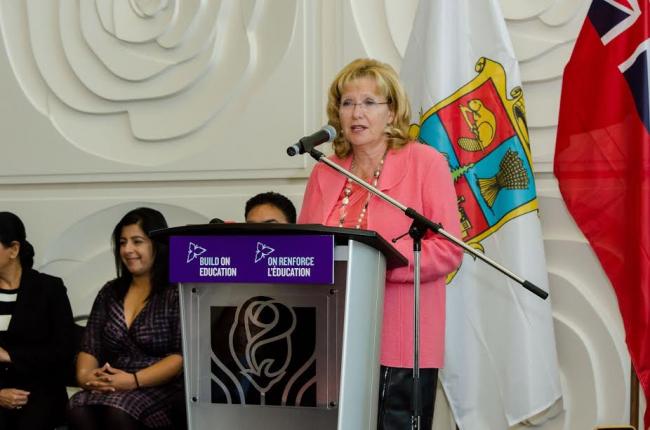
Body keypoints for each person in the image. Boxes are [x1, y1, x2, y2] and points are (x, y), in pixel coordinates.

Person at [298, 58, 463, 429]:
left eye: (369, 102)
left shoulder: (425, 163)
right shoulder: (325, 170)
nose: (356, 112)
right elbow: (304, 251)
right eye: (347, 103)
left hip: (401, 338)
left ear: (392, 112)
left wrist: (378, 266)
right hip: (332, 336)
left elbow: (448, 249)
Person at [68, 207, 184, 430]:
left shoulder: (177, 292)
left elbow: (181, 358)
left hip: (161, 387)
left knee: (117, 410)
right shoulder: (110, 292)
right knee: (78, 405)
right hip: (115, 382)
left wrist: (133, 380)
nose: (128, 249)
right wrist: (87, 377)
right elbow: (90, 347)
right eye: (122, 243)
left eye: (137, 241)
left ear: (157, 245)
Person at [0, 211, 75, 430]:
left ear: (14, 249)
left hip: (40, 391)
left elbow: (64, 351)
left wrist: (10, 356)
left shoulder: (49, 289)